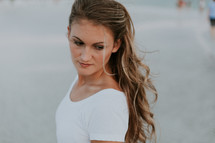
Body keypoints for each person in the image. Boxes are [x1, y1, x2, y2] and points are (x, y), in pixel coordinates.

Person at [55, 0, 158, 143]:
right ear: (68, 33)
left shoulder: (107, 104)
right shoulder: (81, 80)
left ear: (116, 45)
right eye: (78, 43)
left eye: (98, 47)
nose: (85, 57)